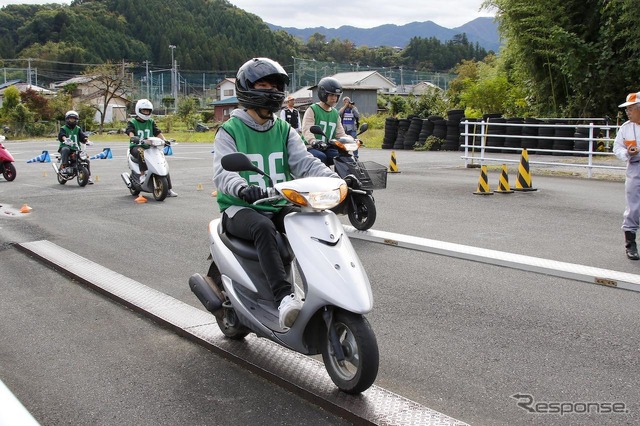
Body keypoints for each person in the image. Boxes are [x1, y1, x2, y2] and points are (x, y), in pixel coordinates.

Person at [213, 57, 358, 329]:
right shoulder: (229, 130)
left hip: (277, 201)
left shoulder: (284, 129)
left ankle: (326, 287)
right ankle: (283, 299)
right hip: (240, 208)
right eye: (264, 84)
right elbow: (223, 173)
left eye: (275, 86)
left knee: (311, 219)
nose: (271, 91)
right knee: (263, 228)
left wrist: (337, 181)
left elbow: (305, 162)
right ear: (247, 88)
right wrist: (243, 188)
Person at [126, 99, 178, 197]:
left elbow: (157, 132)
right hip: (136, 147)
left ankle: (169, 189)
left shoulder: (151, 122)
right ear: (138, 110)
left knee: (162, 163)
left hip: (150, 147)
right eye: (144, 111)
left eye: (148, 111)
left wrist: (165, 140)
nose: (146, 113)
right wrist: (133, 138)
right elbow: (130, 131)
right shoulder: (133, 122)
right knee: (141, 151)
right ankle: (142, 175)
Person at [614, 91, 640, 260]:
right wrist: (627, 153)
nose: (628, 112)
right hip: (635, 167)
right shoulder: (626, 128)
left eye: (630, 109)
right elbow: (617, 148)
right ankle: (630, 243)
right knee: (633, 205)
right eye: (627, 110)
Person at [300, 77, 346, 166]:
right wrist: (313, 141)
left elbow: (340, 134)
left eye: (336, 96)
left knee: (343, 156)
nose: (334, 98)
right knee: (321, 157)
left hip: (326, 147)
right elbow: (307, 130)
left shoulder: (335, 113)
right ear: (323, 94)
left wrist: (351, 140)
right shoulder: (313, 109)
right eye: (331, 95)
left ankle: (342, 179)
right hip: (310, 147)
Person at [57, 110, 93, 184]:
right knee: (65, 149)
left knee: (86, 160)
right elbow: (62, 135)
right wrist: (65, 139)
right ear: (67, 119)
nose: (72, 120)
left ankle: (88, 177)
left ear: (76, 120)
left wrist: (87, 140)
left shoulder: (78, 128)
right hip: (66, 147)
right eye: (71, 119)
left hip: (76, 149)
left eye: (74, 119)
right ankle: (64, 166)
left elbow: (82, 137)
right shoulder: (63, 128)